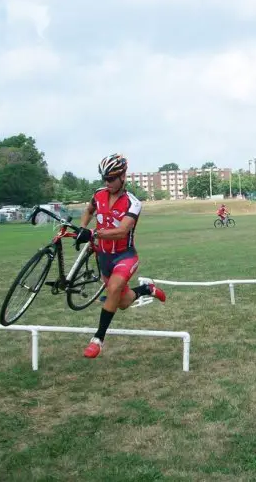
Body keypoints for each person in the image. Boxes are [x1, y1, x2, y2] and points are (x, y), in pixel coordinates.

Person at [75, 153, 166, 359]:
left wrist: (94, 233)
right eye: (104, 179)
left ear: (123, 176)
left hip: (124, 256)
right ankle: (146, 289)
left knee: (114, 288)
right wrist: (82, 227)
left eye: (111, 179)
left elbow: (122, 231)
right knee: (122, 302)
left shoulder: (133, 203)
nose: (107, 183)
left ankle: (98, 339)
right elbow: (88, 211)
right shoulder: (98, 195)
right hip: (104, 258)